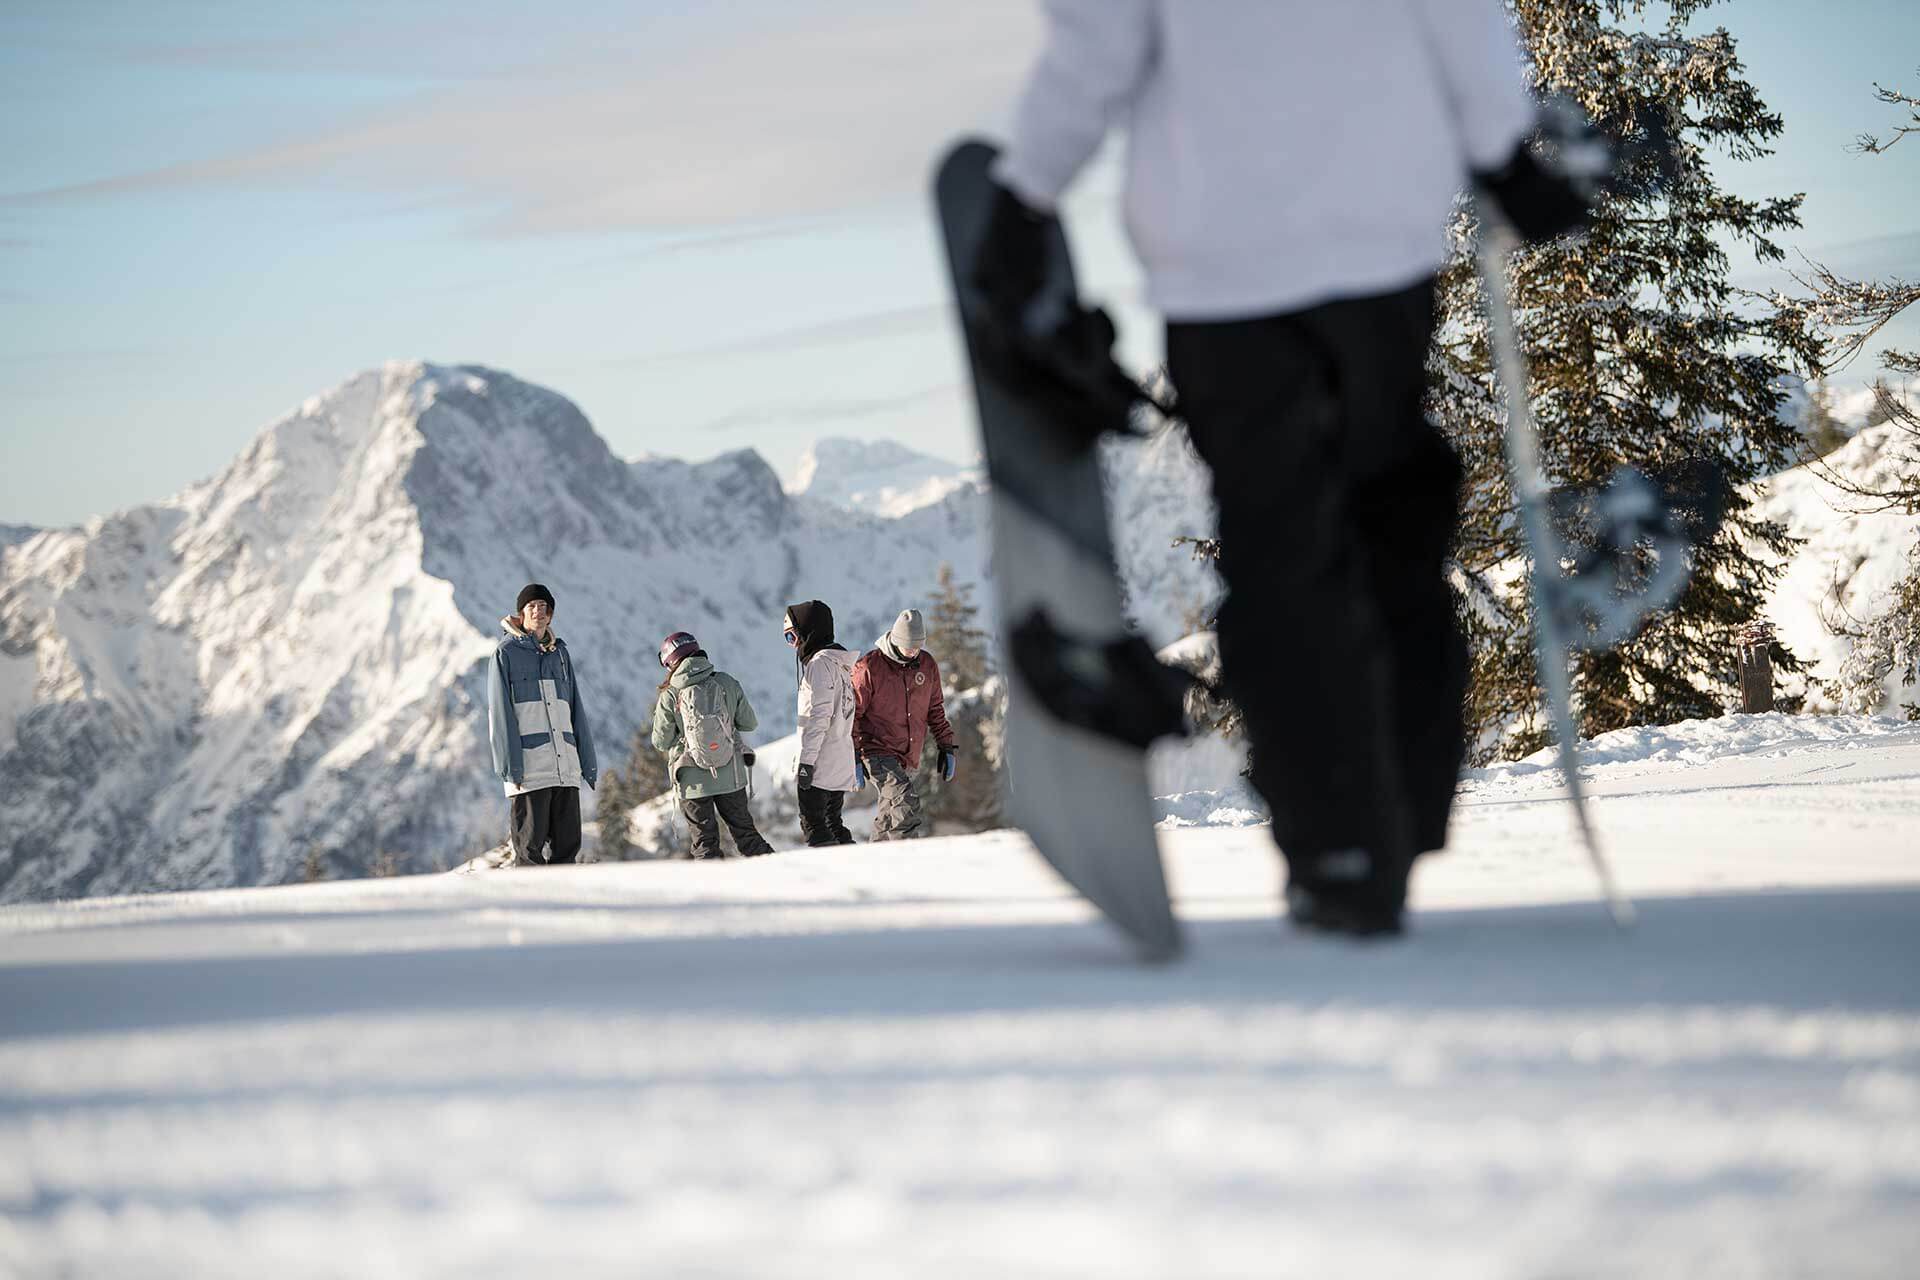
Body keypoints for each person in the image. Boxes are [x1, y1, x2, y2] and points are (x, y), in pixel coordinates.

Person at [977, 3, 1594, 934]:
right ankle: (1400, 811)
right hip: (1380, 244)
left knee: (1280, 547)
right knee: (1389, 513)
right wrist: (1503, 152)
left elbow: (1099, 44)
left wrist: (1027, 195)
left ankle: (1339, 840)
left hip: (1226, 267)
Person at [487, 583, 598, 866]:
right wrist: (511, 767)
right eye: (531, 606)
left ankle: (566, 908)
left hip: (566, 771)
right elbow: (500, 716)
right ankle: (530, 907)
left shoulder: (560, 654)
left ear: (550, 615)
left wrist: (587, 762)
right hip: (530, 771)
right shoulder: (505, 653)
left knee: (567, 852)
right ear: (521, 613)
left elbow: (576, 709)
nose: (538, 611)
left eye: (543, 607)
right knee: (529, 853)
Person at [650, 630, 774, 860]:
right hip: (731, 775)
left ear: (671, 663)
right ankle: (781, 880)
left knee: (705, 844)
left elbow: (660, 741)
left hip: (691, 781)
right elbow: (749, 723)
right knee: (748, 837)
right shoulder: (726, 681)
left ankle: (714, 894)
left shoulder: (670, 695)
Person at [853, 609, 957, 841]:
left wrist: (946, 746)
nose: (912, 651)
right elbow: (851, 714)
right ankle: (904, 856)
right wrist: (853, 755)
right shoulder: (869, 668)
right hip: (875, 749)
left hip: (908, 754)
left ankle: (875, 861)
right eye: (908, 645)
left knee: (890, 814)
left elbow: (935, 709)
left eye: (917, 646)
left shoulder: (927, 665)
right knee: (904, 799)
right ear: (896, 640)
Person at [784, 600, 861, 847]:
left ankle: (831, 881)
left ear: (808, 630)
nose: (792, 646)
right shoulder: (840, 665)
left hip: (820, 763)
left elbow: (818, 718)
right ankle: (852, 867)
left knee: (814, 826)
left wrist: (806, 762)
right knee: (833, 823)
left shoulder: (819, 666)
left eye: (792, 637)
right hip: (839, 759)